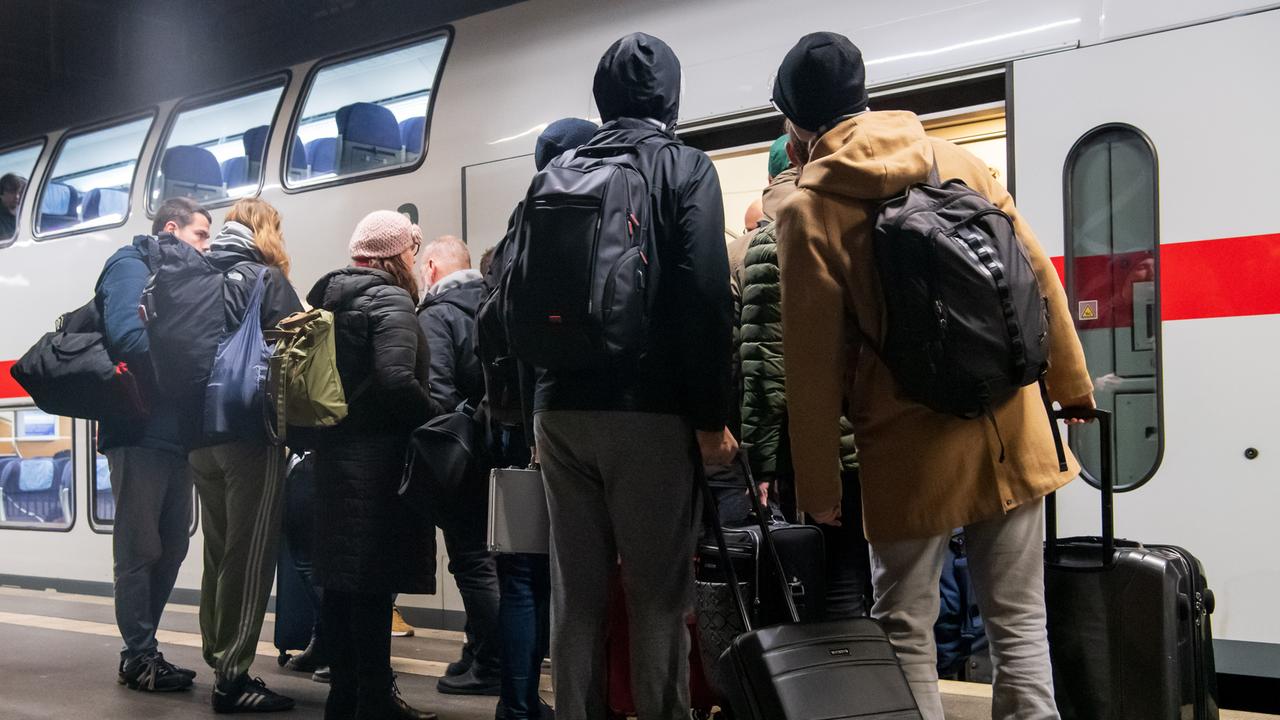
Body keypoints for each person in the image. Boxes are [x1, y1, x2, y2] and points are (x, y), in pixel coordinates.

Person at [771, 32, 1095, 720]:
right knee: (1019, 620)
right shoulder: (956, 160)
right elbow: (1039, 276)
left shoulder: (808, 207)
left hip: (907, 443)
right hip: (1011, 425)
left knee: (904, 627)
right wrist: (1072, 388)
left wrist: (821, 489)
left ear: (796, 124)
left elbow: (811, 361)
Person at [532, 34, 735, 720]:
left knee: (577, 596)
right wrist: (711, 419)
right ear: (671, 97)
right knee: (656, 596)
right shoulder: (684, 167)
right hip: (646, 413)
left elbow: (514, 298)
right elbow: (705, 298)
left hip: (558, 411)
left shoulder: (557, 169)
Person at [483, 117, 598, 720]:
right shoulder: (573, 225)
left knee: (522, 576)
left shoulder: (512, 235)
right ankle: (541, 705)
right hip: (545, 428)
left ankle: (520, 703)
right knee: (552, 575)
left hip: (514, 425)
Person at [307, 210, 441, 720]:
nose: (414, 259)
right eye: (411, 250)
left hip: (334, 459)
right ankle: (374, 700)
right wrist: (438, 416)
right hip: (379, 464)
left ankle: (345, 699)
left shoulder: (327, 299)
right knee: (373, 588)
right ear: (394, 255)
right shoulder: (390, 299)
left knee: (342, 586)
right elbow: (394, 380)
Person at [738, 127, 869, 615]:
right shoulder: (864, 212)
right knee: (881, 580)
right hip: (881, 433)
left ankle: (831, 681)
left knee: (830, 576)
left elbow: (765, 371)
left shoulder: (770, 241)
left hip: (813, 446)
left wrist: (763, 464)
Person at [186, 198, 303, 713]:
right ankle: (232, 677)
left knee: (217, 549)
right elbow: (303, 349)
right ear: (266, 232)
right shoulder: (264, 278)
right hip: (249, 434)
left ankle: (217, 653)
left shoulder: (194, 274)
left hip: (197, 438)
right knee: (249, 557)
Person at [95, 197, 211, 692]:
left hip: (175, 434)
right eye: (201, 234)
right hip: (138, 429)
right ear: (171, 228)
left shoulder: (184, 280)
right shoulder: (129, 265)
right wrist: (189, 363)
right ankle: (137, 655)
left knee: (174, 546)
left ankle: (145, 648)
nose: (208, 245)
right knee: (139, 546)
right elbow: (125, 336)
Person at [414, 233, 501, 696]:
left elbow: (438, 396)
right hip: (500, 452)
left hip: (462, 458)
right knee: (495, 560)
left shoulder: (437, 314)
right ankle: (479, 651)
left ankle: (490, 664)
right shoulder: (492, 300)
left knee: (471, 562)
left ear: (430, 267)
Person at [1, 173, 27, 240]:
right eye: (12, 192)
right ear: (1, 194)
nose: (17, 196)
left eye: (18, 192)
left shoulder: (25, 211)